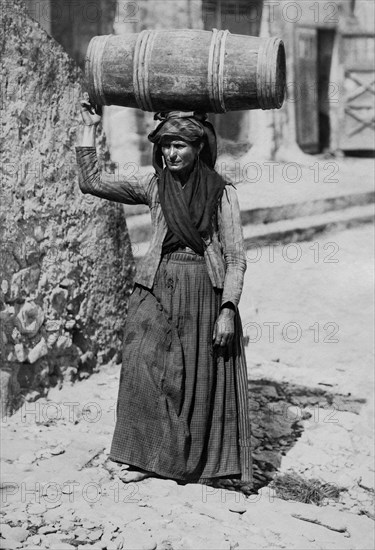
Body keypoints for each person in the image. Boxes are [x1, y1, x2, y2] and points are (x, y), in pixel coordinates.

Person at [76, 93, 252, 488]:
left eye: (180, 145)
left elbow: (236, 258)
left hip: (203, 291)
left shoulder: (222, 193)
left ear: (198, 146)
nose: (171, 153)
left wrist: (227, 308)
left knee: (196, 378)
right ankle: (141, 456)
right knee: (142, 365)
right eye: (166, 145)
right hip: (156, 285)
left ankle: (200, 465)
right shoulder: (153, 185)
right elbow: (92, 181)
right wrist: (90, 125)